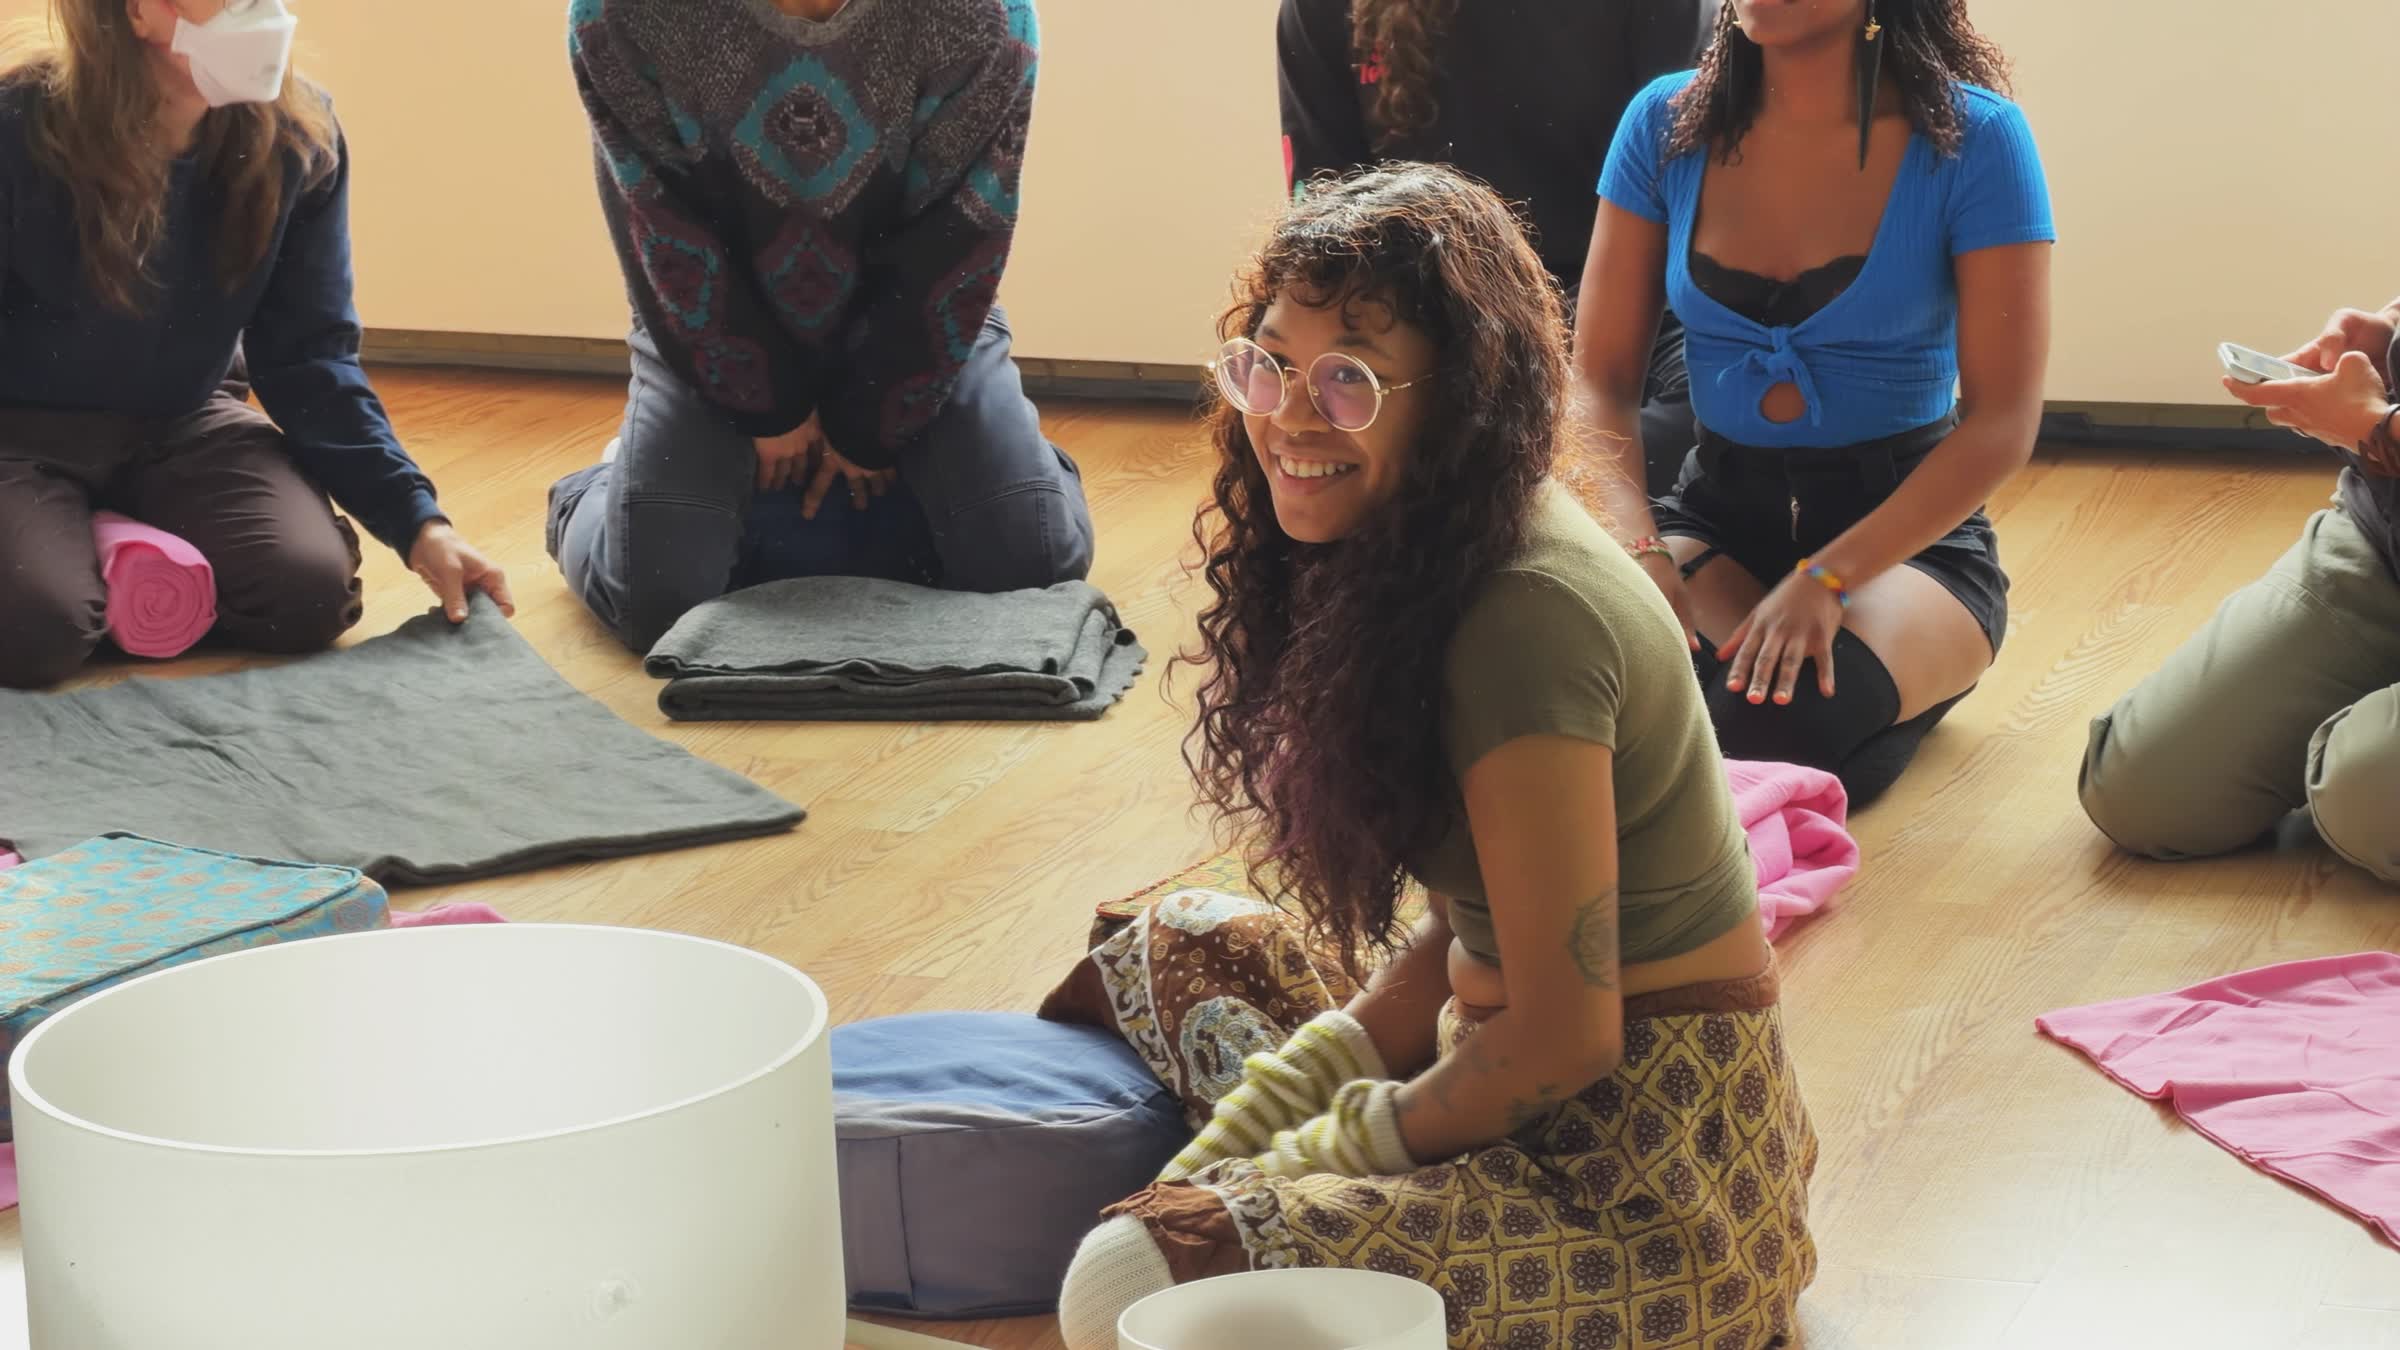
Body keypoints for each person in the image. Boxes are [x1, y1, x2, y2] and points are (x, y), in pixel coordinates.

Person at [1049, 166, 1815, 1350]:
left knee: (1120, 1282)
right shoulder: (1426, 543)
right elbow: (1471, 925)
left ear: (1458, 396)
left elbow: (1566, 1038)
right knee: (1172, 940)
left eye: (1348, 378)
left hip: (1647, 1188)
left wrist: (1312, 1156)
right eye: (1269, 362)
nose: (1292, 417)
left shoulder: (1523, 619)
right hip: (1514, 1073)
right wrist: (1275, 1121)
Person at [1568, 0, 2053, 808]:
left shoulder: (1977, 141)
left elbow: (2004, 422)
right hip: (1717, 513)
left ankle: (1899, 680)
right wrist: (1639, 546)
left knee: (1751, 733)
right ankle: (1865, 729)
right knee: (1601, 708)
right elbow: (1600, 381)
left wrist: (1828, 579)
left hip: (1904, 547)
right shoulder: (1663, 121)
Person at [549, 0, 1095, 654]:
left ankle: (1020, 465)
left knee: (1031, 564)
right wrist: (766, 410)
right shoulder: (619, 14)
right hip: (701, 322)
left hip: (925, 322)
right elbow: (663, 234)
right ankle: (597, 491)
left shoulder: (985, 14)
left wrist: (869, 426)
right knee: (656, 603)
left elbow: (959, 240)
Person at [0, 0, 511, 691]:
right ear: (140, 13)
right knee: (38, 633)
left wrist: (420, 524)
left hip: (181, 419)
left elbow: (311, 359)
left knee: (308, 597)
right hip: (18, 432)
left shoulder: (300, 139)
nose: (263, 10)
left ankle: (92, 552)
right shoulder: (19, 128)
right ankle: (85, 558)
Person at [1277, 0, 1716, 494]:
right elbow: (1322, 241)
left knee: (1713, 413)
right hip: (1429, 313)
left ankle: (1486, 505)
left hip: (1620, 303)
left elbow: (1687, 217)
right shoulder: (1322, 11)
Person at [2079, 304, 2400, 883]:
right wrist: (2391, 338)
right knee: (2149, 793)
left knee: (2366, 795)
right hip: (2385, 547)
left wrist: (2380, 430)